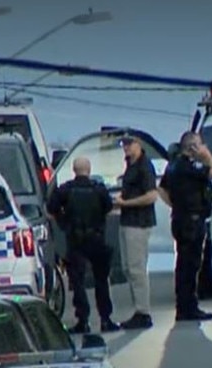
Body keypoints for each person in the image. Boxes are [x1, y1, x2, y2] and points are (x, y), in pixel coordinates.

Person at [46, 157, 120, 334]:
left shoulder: (65, 190)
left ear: (74, 170)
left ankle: (83, 320)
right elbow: (108, 207)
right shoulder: (98, 189)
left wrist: (64, 222)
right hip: (96, 239)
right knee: (101, 280)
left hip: (76, 240)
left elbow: (51, 208)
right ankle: (105, 319)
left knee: (78, 281)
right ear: (89, 169)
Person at [158, 131, 212, 321]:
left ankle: (183, 306)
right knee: (191, 265)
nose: (203, 148)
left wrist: (176, 204)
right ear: (192, 147)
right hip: (192, 220)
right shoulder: (191, 166)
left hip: (179, 218)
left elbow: (162, 189)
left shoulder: (173, 166)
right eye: (200, 144)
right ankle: (189, 308)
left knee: (182, 265)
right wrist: (207, 156)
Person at [113, 135, 159, 329]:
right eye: (123, 144)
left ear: (138, 145)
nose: (125, 147)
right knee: (127, 268)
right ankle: (137, 310)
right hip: (127, 220)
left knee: (137, 269)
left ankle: (143, 312)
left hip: (139, 223)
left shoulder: (144, 166)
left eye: (129, 144)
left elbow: (151, 196)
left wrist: (127, 203)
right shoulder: (130, 165)